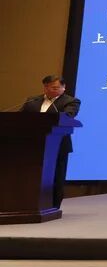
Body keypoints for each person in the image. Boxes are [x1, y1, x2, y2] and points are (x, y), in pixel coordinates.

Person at [20, 75, 80, 209]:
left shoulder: (71, 102)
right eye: (47, 87)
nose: (50, 90)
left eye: (55, 87)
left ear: (63, 88)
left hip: (57, 145)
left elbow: (68, 117)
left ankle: (53, 206)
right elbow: (20, 118)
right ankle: (28, 204)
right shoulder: (32, 101)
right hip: (32, 145)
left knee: (56, 177)